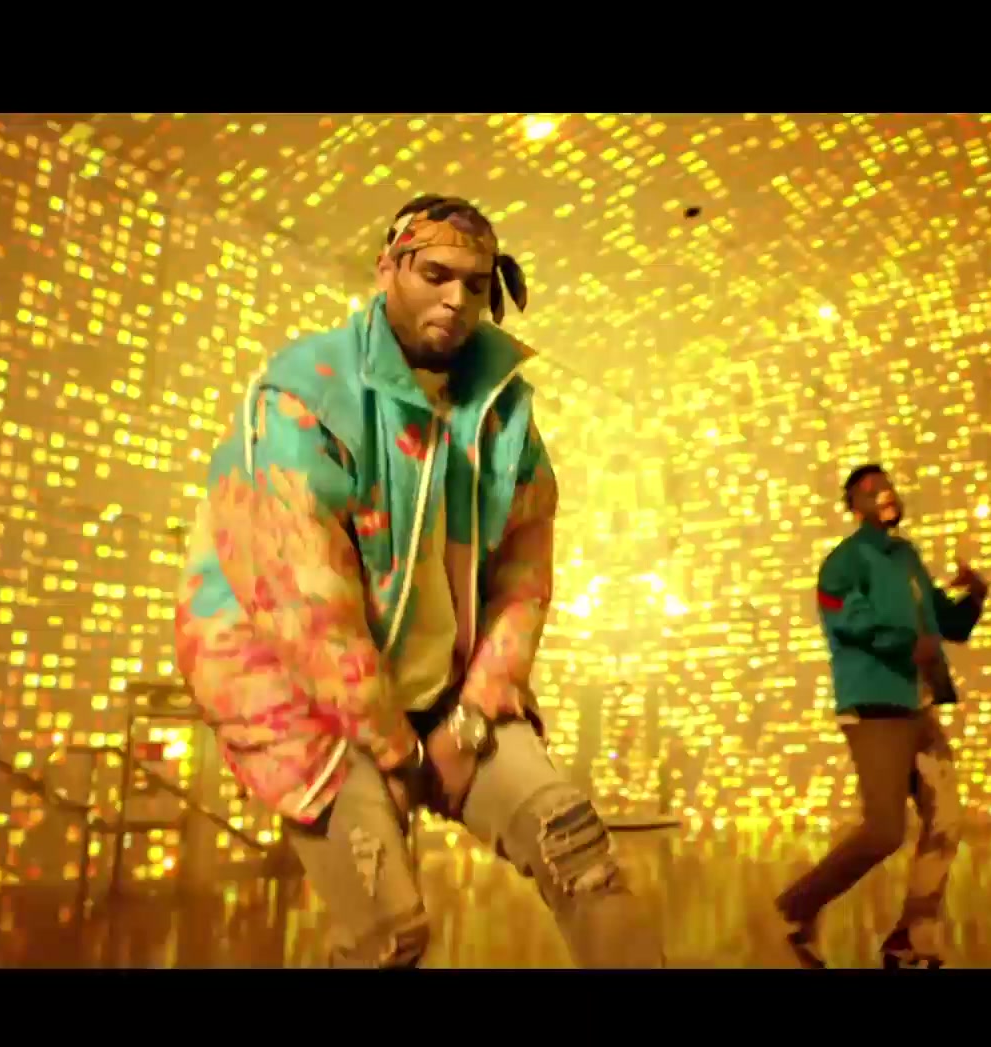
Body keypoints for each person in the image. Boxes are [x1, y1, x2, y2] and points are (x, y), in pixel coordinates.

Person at [175, 194, 664, 968]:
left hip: (442, 694)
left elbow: (525, 567)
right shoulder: (305, 392)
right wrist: (396, 749)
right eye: (436, 274)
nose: (458, 299)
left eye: (476, 283)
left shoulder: (500, 408)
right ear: (387, 269)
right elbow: (305, 607)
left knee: (580, 854)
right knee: (389, 936)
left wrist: (479, 706)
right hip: (305, 697)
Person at [776, 463, 989, 969]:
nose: (884, 494)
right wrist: (905, 644)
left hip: (919, 708)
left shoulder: (906, 557)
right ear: (853, 508)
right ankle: (793, 909)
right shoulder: (844, 563)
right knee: (884, 831)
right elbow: (847, 620)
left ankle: (911, 939)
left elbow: (947, 623)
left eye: (887, 485)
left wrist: (976, 593)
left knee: (946, 820)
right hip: (875, 708)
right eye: (870, 491)